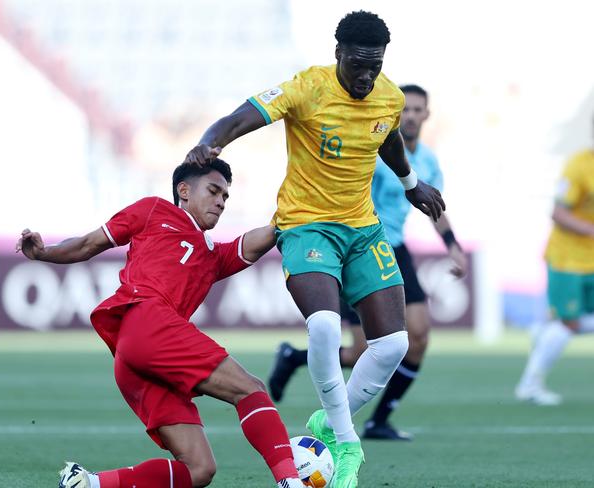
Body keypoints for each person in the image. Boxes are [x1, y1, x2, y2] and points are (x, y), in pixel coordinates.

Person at [184, 11, 446, 487]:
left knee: (394, 345)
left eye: (376, 66)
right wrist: (208, 143)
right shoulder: (308, 88)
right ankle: (346, 444)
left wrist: (410, 184)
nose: (367, 76)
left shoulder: (387, 95)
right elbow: (241, 117)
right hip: (306, 226)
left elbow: (386, 138)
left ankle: (329, 420)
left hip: (364, 228)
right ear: (338, 54)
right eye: (358, 66)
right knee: (325, 326)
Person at [16, 159, 304, 488]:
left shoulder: (211, 256)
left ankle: (88, 483)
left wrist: (296, 210)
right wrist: (43, 253)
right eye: (213, 191)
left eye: (226, 196)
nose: (221, 201)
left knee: (198, 470)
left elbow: (259, 239)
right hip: (146, 322)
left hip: (135, 355)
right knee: (250, 389)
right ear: (184, 190)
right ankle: (290, 481)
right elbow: (88, 244)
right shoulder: (154, 210)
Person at [268, 84, 468, 441]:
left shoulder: (427, 160)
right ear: (396, 114)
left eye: (417, 110)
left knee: (417, 337)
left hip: (395, 248)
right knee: (364, 350)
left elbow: (432, 206)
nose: (410, 115)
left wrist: (452, 245)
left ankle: (379, 420)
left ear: (426, 115)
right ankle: (297, 361)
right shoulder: (373, 149)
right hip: (356, 245)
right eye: (405, 109)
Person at [515, 119, 594, 406]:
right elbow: (558, 213)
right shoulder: (579, 166)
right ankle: (529, 385)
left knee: (567, 324)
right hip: (568, 259)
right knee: (569, 323)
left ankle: (542, 332)